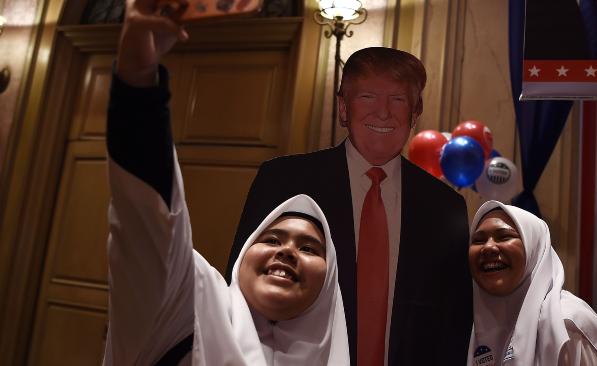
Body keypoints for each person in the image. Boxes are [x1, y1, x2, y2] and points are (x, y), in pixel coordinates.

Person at [104, 1, 349, 364]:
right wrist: (139, 77)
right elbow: (150, 221)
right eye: (271, 238)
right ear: (244, 255)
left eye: (310, 248)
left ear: (329, 284)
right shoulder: (189, 308)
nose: (287, 251)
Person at [227, 47, 473, 365]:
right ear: (344, 108)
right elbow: (240, 291)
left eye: (397, 99)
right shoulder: (284, 181)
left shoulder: (446, 207)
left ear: (415, 112)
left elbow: (455, 322)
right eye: (368, 97)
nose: (383, 113)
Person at [467, 200, 597, 366]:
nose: (488, 247)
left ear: (534, 248)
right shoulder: (469, 326)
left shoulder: (567, 325)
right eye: (478, 240)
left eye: (504, 236)